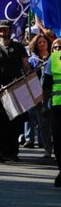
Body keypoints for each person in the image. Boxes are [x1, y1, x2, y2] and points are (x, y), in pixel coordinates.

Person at [0, 19, 32, 162]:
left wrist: (29, 75)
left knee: (15, 121)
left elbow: (26, 66)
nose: (3, 32)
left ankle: (13, 151)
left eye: (5, 29)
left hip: (15, 88)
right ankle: (0, 150)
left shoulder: (18, 47)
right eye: (0, 30)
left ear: (10, 31)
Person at [44, 39, 61, 187]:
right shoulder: (54, 58)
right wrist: (44, 104)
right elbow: (47, 84)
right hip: (58, 107)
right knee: (58, 141)